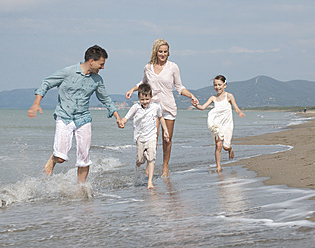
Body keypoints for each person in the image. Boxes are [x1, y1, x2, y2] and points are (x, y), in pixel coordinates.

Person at [28, 45, 122, 183]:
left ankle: (81, 189)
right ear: (91, 61)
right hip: (64, 116)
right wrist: (36, 103)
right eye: (101, 64)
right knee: (61, 157)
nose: (102, 68)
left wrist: (117, 117)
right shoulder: (68, 72)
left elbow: (105, 99)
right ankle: (53, 158)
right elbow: (46, 82)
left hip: (83, 118)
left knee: (84, 158)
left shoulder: (97, 80)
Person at [125, 38, 198, 177]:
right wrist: (131, 90)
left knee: (167, 139)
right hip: (153, 106)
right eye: (160, 52)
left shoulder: (173, 67)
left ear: (168, 53)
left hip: (168, 106)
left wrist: (191, 96)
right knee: (153, 136)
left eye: (165, 52)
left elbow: (179, 87)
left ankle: (165, 166)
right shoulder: (148, 67)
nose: (163, 54)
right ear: (156, 52)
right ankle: (149, 165)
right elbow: (143, 82)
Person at [119, 84, 170, 189]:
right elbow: (126, 118)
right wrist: (122, 122)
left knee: (151, 159)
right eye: (142, 99)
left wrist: (165, 130)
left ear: (151, 98)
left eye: (147, 99)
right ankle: (139, 164)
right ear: (139, 98)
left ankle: (150, 182)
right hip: (140, 137)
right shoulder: (135, 107)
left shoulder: (156, 107)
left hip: (152, 136)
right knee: (140, 160)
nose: (145, 101)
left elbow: (161, 118)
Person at [192, 75, 245, 172]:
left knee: (225, 147)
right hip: (217, 124)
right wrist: (196, 105)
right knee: (218, 145)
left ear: (225, 85)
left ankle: (230, 148)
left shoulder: (229, 96)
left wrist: (239, 112)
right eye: (215, 85)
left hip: (227, 124)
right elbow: (203, 107)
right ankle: (218, 167)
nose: (217, 87)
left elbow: (236, 107)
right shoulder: (213, 98)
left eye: (220, 85)